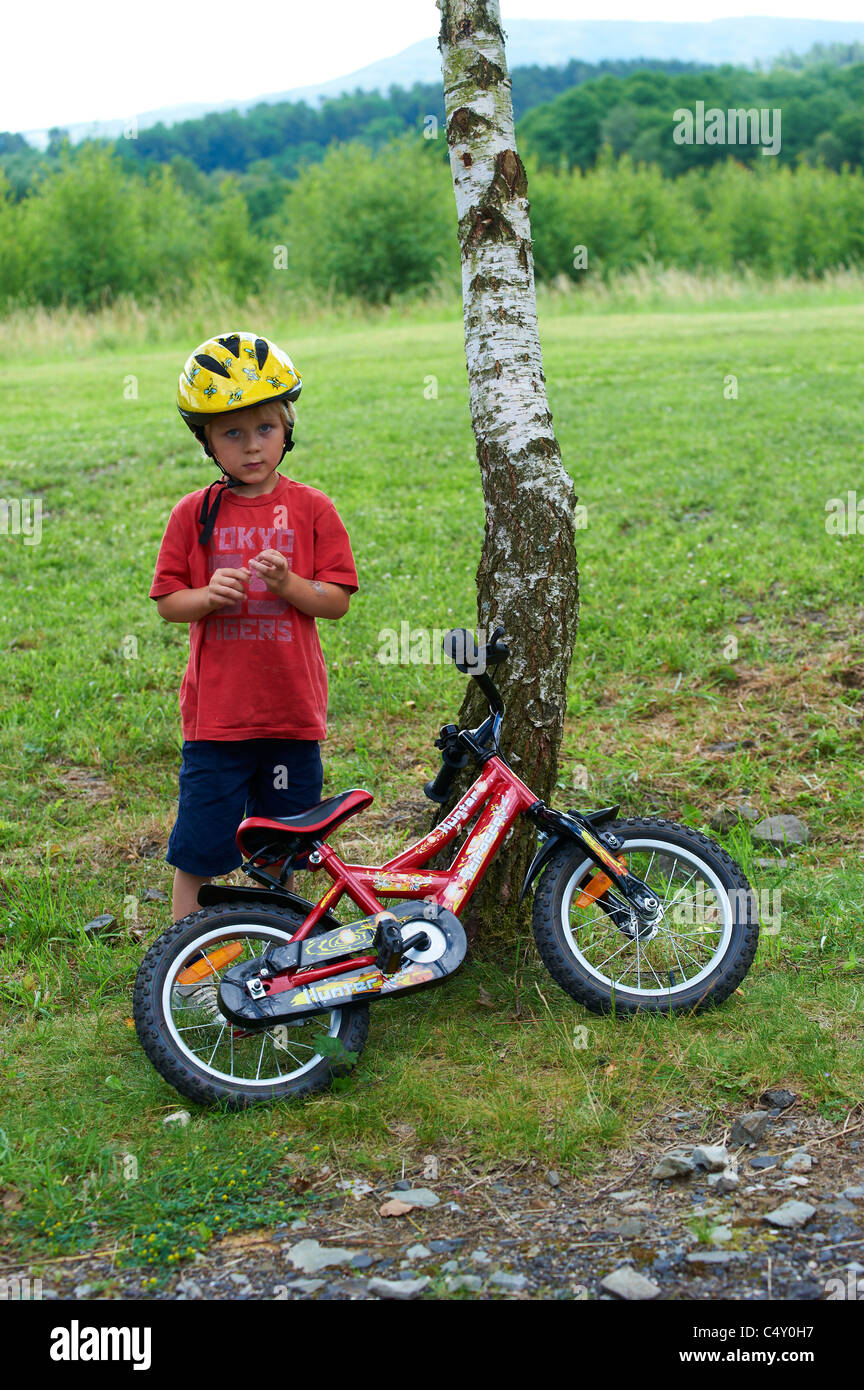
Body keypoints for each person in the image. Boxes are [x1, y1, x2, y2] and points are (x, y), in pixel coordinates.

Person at [150, 331, 358, 922]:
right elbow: (168, 601)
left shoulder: (313, 508)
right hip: (217, 721)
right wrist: (207, 597)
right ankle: (188, 953)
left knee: (283, 840)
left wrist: (291, 585)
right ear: (206, 440)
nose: (250, 447)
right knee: (202, 840)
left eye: (264, 428)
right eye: (231, 433)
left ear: (287, 427)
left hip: (290, 714)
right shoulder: (194, 513)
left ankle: (268, 931)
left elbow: (336, 599)